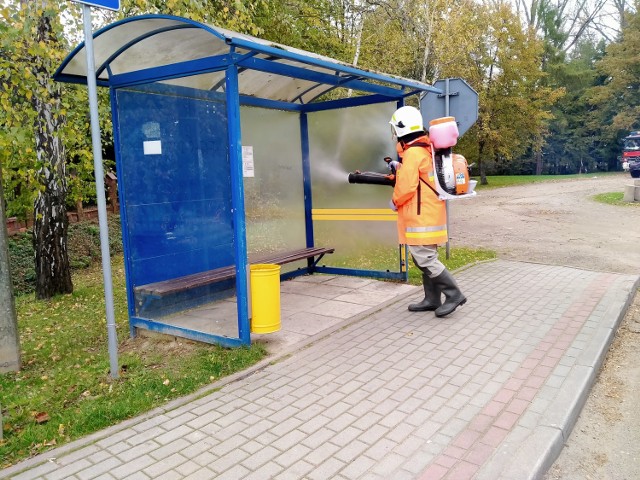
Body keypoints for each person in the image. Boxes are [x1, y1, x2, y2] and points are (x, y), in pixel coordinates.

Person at [388, 105, 466, 317]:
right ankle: (432, 298)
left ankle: (454, 294)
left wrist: (395, 200)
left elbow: (407, 187)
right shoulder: (425, 149)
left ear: (400, 129)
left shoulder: (413, 153)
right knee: (424, 257)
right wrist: (399, 167)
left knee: (425, 258)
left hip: (420, 217)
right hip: (431, 214)